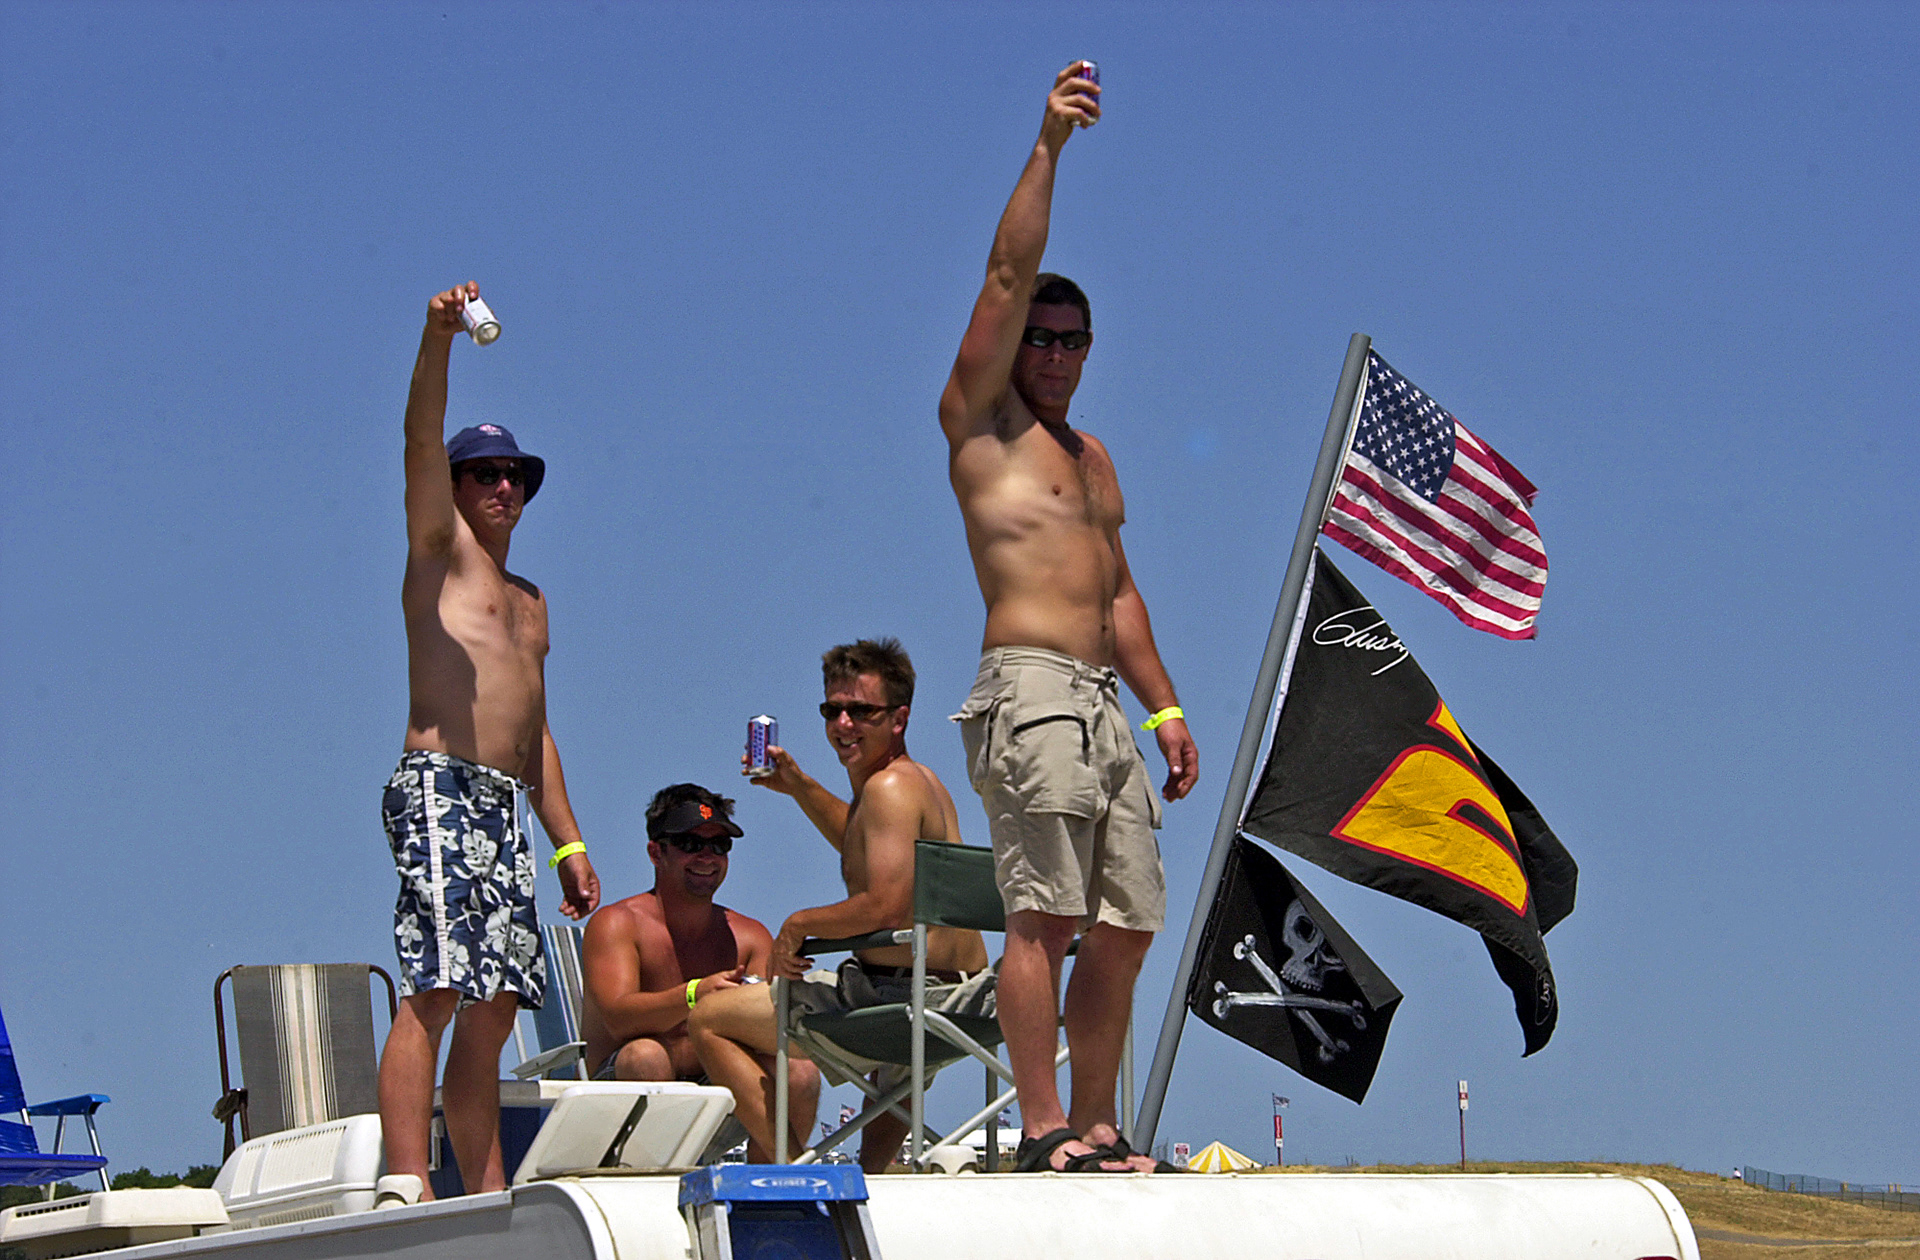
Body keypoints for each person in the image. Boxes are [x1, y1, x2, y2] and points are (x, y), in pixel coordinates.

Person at [939, 67, 1199, 1174]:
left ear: (1090, 349)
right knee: (1041, 915)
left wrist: (1166, 708)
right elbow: (1007, 272)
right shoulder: (982, 424)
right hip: (1032, 686)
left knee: (1128, 922)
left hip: (1104, 703)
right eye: (1037, 336)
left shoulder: (1093, 460)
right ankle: (1040, 1126)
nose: (1050, 352)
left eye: (1069, 339)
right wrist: (1049, 144)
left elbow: (1119, 589)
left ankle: (1097, 1125)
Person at [375, 282, 602, 1202]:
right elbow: (417, 440)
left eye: (515, 476)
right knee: (436, 986)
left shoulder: (532, 603)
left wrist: (570, 843)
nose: (503, 486)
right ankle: (405, 1180)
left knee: (498, 1007)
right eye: (484, 475)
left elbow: (534, 730)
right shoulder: (439, 553)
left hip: (507, 805)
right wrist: (438, 338)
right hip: (439, 784)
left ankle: (486, 1193)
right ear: (457, 487)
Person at [688, 639, 988, 1172]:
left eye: (862, 711)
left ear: (899, 718)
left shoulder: (888, 789)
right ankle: (871, 1179)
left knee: (709, 1017)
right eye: (832, 710)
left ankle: (796, 1167)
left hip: (902, 1003)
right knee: (896, 1064)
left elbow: (886, 907)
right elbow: (862, 848)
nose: (843, 724)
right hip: (962, 997)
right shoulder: (917, 782)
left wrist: (796, 926)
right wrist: (799, 785)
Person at [578, 783, 817, 1164]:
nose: (707, 856)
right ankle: (647, 1182)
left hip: (720, 1088)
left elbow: (774, 1031)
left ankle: (774, 1183)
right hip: (624, 1097)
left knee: (800, 1070)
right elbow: (619, 1020)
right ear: (656, 852)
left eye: (719, 845)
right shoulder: (617, 923)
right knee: (646, 1056)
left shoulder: (750, 936)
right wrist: (695, 995)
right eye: (690, 844)